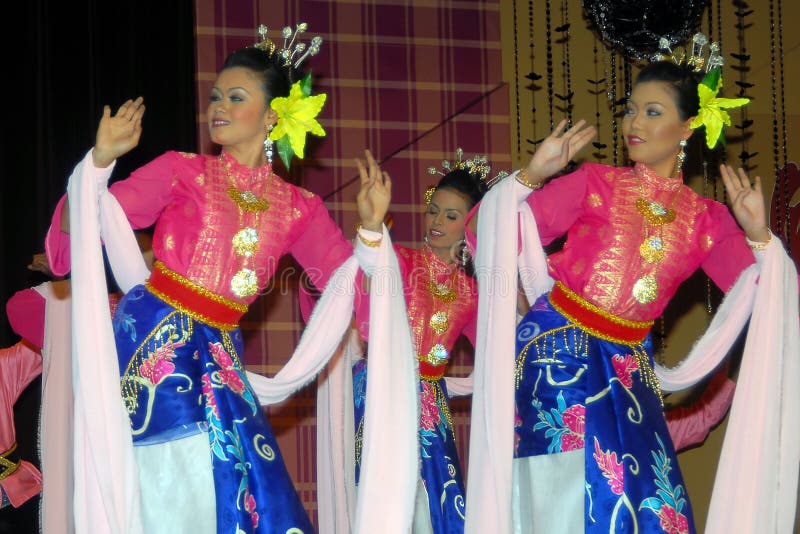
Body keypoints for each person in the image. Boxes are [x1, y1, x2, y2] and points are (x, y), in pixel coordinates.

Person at [44, 25, 360, 534]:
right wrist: (98, 163)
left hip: (221, 352)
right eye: (216, 96)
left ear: (273, 115)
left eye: (237, 97)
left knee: (229, 490)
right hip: (154, 340)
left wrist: (369, 239)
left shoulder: (298, 208)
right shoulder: (181, 170)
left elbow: (348, 286)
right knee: (168, 484)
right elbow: (88, 224)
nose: (219, 107)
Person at [464, 54, 798, 534]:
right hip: (557, 355)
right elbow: (482, 233)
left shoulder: (707, 221)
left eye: (653, 111)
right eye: (630, 110)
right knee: (569, 505)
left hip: (630, 370)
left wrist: (762, 239)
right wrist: (533, 174)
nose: (633, 123)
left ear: (688, 128)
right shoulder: (595, 183)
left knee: (653, 510)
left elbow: (779, 305)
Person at [351, 150, 489, 533]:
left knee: (434, 499)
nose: (437, 222)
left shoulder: (473, 292)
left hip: (430, 398)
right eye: (434, 211)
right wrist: (370, 228)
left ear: (471, 226)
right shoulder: (398, 259)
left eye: (451, 215)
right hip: (380, 389)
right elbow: (361, 287)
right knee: (382, 493)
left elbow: (498, 357)